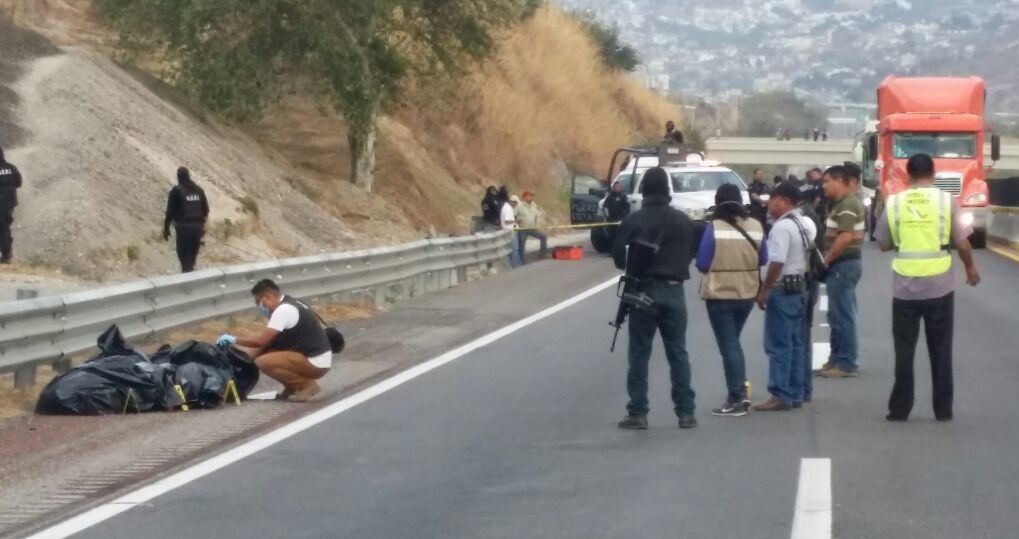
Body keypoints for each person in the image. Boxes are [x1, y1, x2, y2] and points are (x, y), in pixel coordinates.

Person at [876, 154, 981, 422]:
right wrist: (970, 268)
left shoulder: (895, 202)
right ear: (933, 174)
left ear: (907, 175)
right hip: (940, 287)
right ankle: (943, 411)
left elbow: (884, 244)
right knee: (941, 349)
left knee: (904, 351)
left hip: (904, 287)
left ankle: (899, 410)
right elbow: (963, 243)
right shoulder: (947, 201)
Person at [612, 167, 697, 429]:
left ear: (644, 190)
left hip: (642, 291)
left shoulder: (634, 219)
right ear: (668, 190)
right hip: (674, 290)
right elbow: (691, 252)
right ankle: (686, 413)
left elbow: (617, 255)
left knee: (639, 353)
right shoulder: (683, 220)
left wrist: (636, 267)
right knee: (678, 352)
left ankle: (638, 412)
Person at [696, 183, 768, 417]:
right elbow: (763, 258)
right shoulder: (756, 225)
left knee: (728, 346)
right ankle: (740, 387)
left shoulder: (714, 227)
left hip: (719, 293)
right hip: (747, 292)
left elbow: (703, 262)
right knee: (733, 343)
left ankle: (737, 397)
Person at [754, 182, 816, 412]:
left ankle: (780, 392)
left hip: (782, 288)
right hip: (800, 286)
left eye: (774, 199)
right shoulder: (805, 222)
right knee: (796, 342)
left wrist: (764, 289)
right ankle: (796, 391)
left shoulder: (782, 228)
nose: (769, 203)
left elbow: (777, 261)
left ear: (785, 201)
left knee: (779, 343)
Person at [217, 279, 333, 401]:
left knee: (264, 362)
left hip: (316, 361)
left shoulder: (284, 310)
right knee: (264, 354)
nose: (259, 307)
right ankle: (291, 387)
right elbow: (266, 344)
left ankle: (305, 385)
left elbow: (260, 341)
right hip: (311, 356)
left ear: (267, 297)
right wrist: (244, 361)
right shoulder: (290, 303)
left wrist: (233, 339)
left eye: (258, 302)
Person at [815, 165, 865, 378]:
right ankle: (836, 358)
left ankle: (846, 362)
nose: (824, 186)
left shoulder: (847, 205)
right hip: (842, 265)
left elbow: (845, 237)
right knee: (836, 314)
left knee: (843, 315)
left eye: (827, 181)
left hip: (843, 265)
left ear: (840, 181)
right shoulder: (840, 204)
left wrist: (826, 259)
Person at [163, 167, 209, 273]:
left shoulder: (176, 191)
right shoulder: (199, 190)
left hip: (184, 229)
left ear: (179, 177)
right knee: (192, 259)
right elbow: (206, 210)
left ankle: (187, 283)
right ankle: (191, 278)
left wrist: (166, 229)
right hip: (197, 228)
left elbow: (170, 212)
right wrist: (201, 227)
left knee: (184, 259)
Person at [0, 146, 23, 264]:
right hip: (9, 203)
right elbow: (19, 183)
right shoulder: (11, 168)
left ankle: (7, 256)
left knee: (2, 228)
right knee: (4, 227)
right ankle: (7, 255)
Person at [515, 191, 547, 262]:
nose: (531, 197)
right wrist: (517, 221)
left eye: (531, 196)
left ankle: (542, 255)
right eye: (529, 196)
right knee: (522, 245)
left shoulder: (534, 205)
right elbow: (514, 216)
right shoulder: (519, 206)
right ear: (524, 197)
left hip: (532, 228)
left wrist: (537, 225)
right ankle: (522, 261)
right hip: (523, 229)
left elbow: (537, 216)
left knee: (543, 237)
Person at [502, 194, 522, 268]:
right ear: (513, 202)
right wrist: (516, 221)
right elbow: (506, 221)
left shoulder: (507, 207)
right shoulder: (507, 209)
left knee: (513, 249)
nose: (516, 205)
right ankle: (516, 265)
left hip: (511, 230)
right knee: (514, 249)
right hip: (510, 231)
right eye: (516, 203)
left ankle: (515, 264)